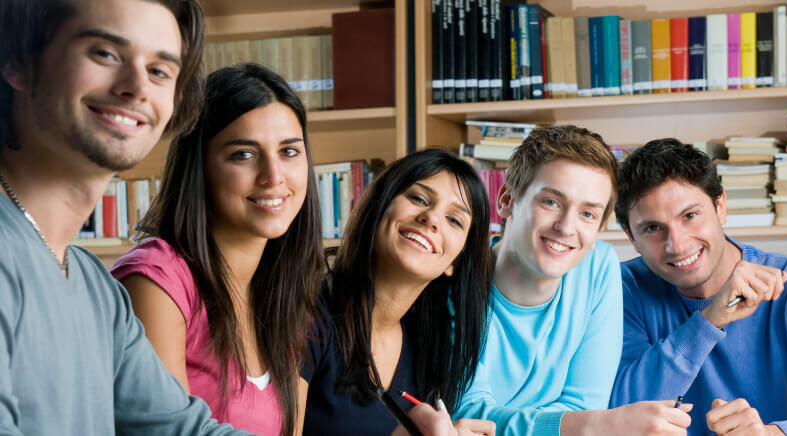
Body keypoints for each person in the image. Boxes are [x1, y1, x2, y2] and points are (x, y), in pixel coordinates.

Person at [0, 0, 255, 433]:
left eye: (160, 71)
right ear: (19, 63)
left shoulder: (95, 287)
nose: (137, 87)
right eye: (105, 53)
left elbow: (183, 429)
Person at [110, 64, 324, 435]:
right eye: (243, 154)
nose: (274, 176)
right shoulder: (157, 280)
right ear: (201, 166)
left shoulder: (282, 291)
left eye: (289, 151)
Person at [455, 126, 693, 436]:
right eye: (551, 202)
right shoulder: (454, 277)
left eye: (587, 214)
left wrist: (584, 423)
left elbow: (584, 404)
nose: (567, 227)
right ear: (506, 199)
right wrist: (600, 424)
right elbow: (470, 416)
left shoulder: (598, 267)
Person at [610, 138, 787, 435]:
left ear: (720, 206)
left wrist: (772, 434)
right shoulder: (620, 289)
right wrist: (710, 319)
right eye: (652, 228)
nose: (677, 245)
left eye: (690, 216)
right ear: (630, 236)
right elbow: (618, 415)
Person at [298, 149, 496, 436]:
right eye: (418, 199)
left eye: (455, 220)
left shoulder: (429, 346)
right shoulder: (307, 316)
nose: (431, 218)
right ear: (380, 206)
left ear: (455, 262)